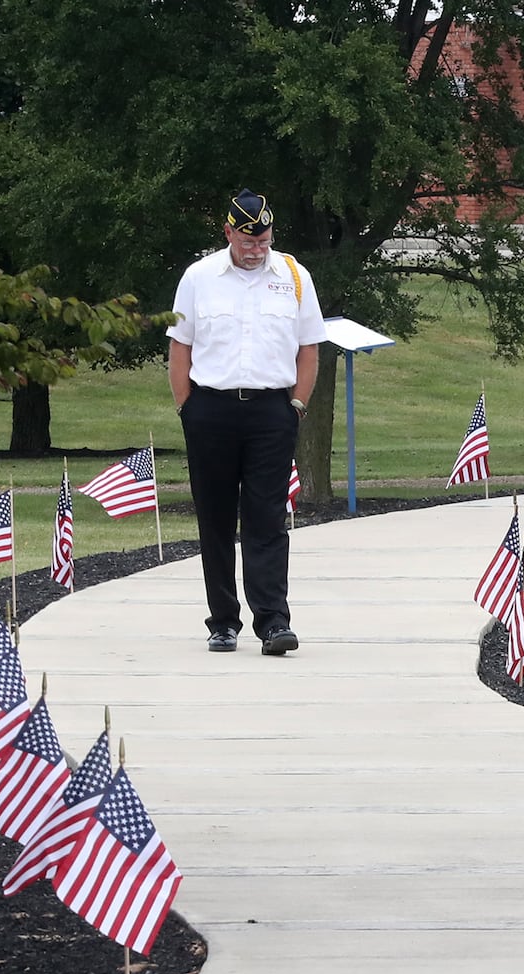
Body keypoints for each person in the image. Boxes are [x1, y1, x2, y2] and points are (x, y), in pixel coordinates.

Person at [168, 188, 325, 655]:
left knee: (267, 519)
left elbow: (309, 349)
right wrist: (187, 409)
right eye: (247, 240)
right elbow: (180, 347)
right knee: (215, 518)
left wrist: (296, 405)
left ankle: (274, 622)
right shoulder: (199, 277)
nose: (256, 249)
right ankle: (222, 621)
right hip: (210, 409)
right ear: (229, 232)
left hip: (271, 412)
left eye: (264, 240)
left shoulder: (294, 276)